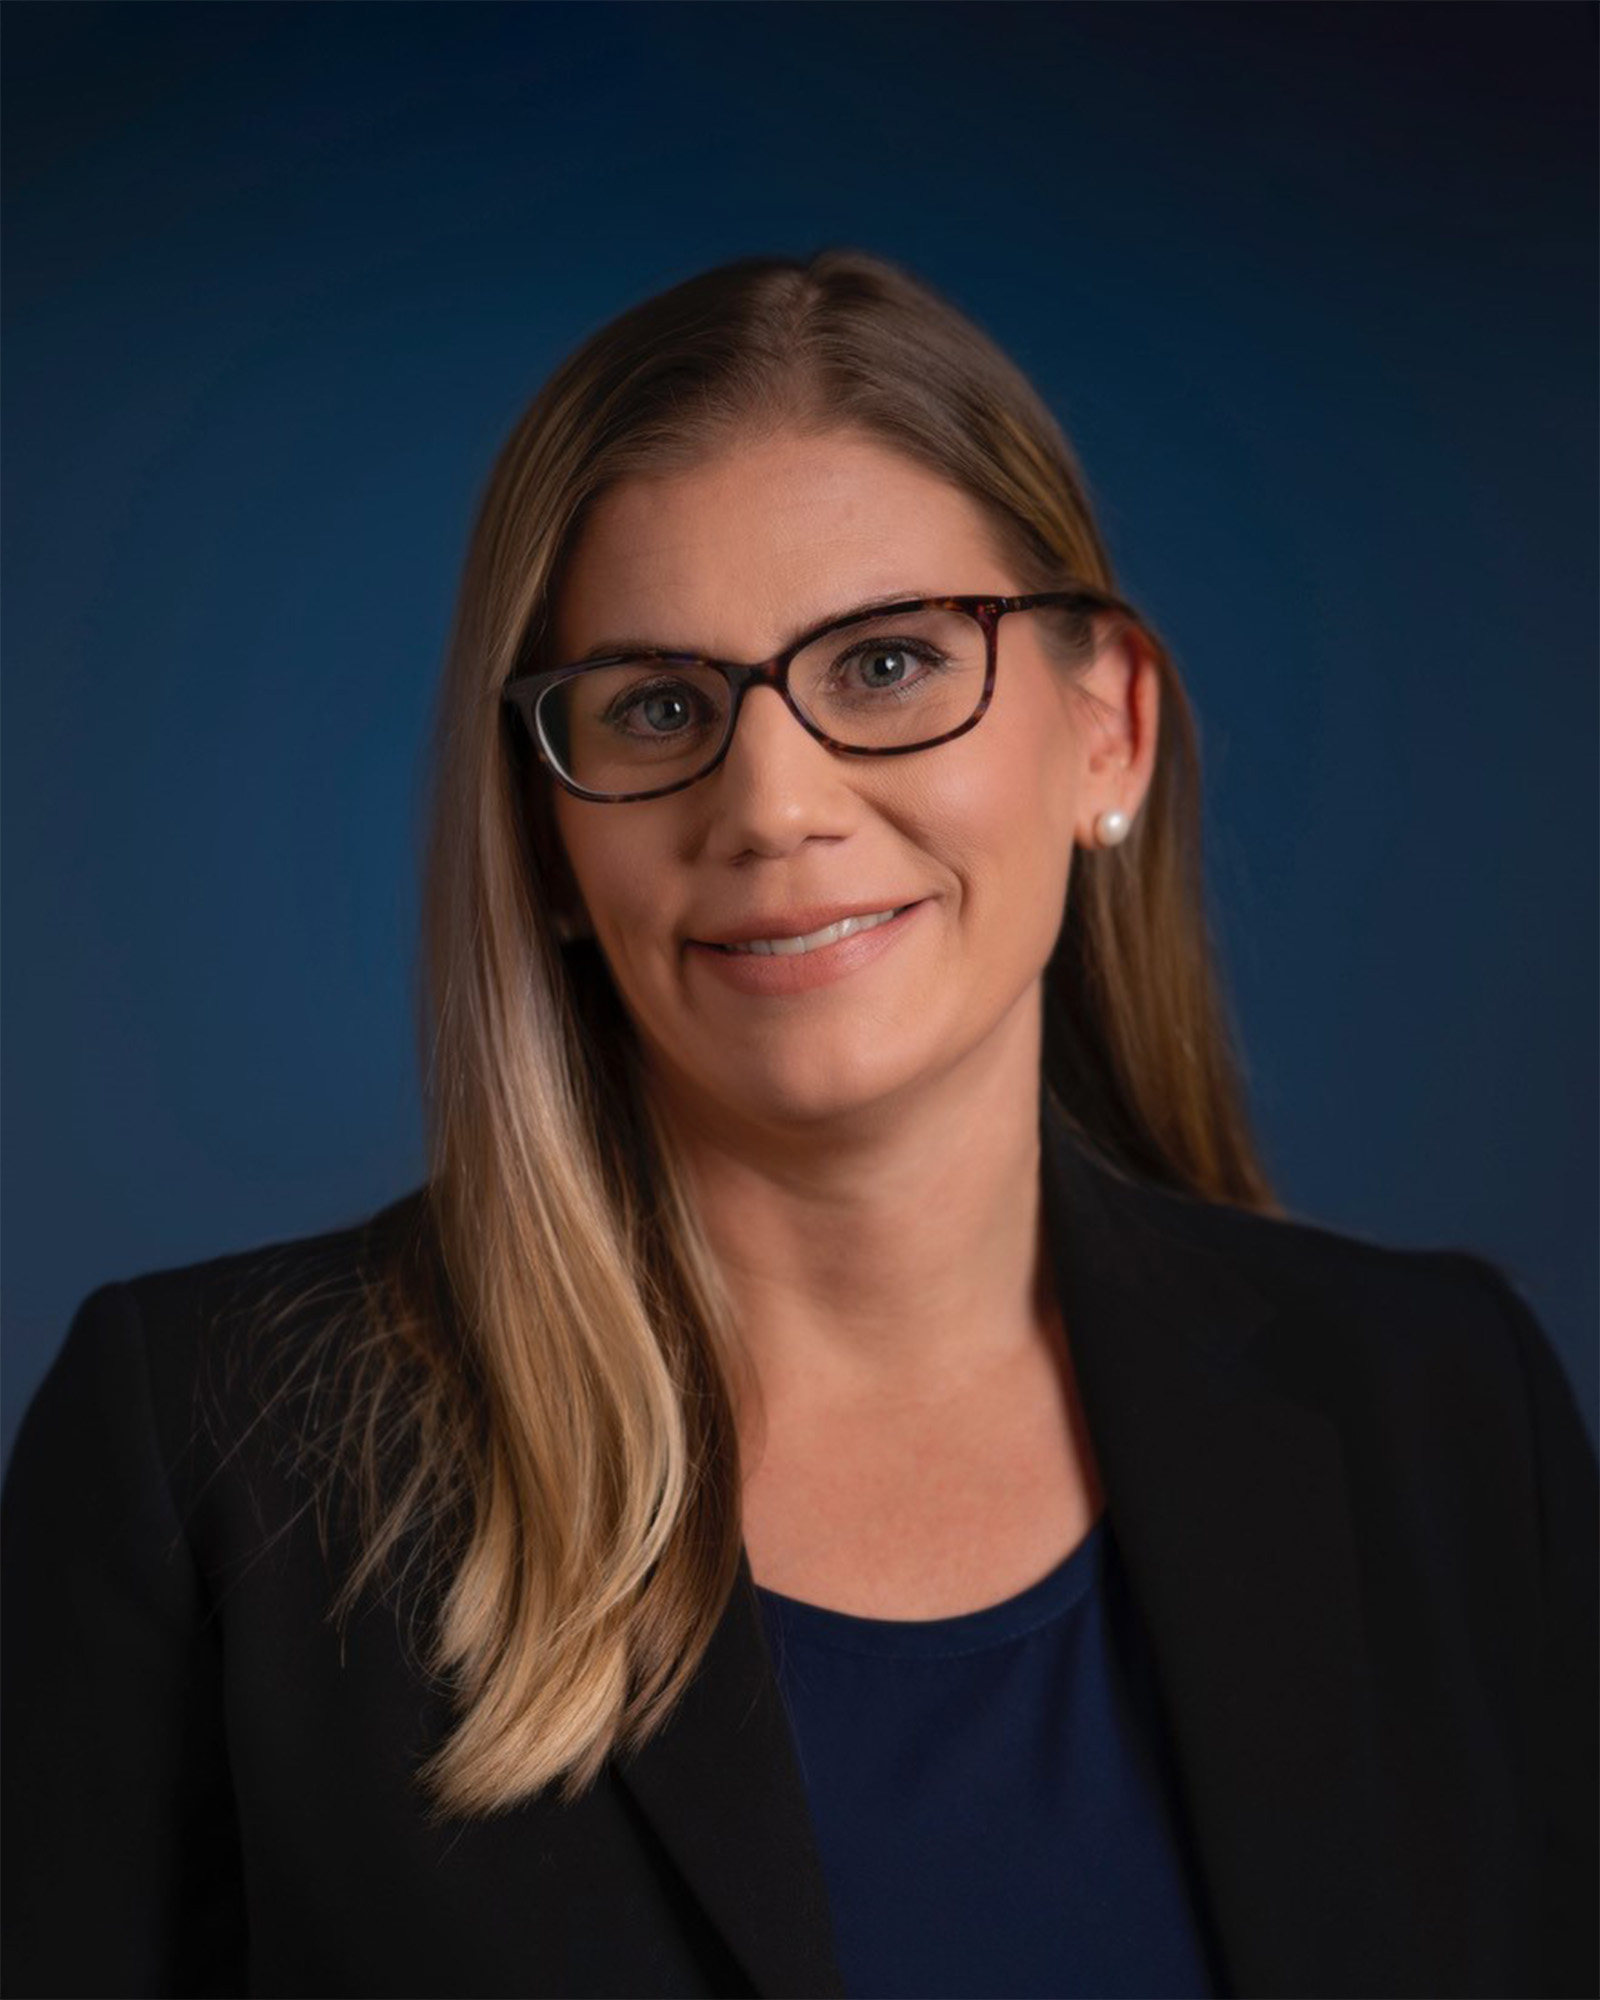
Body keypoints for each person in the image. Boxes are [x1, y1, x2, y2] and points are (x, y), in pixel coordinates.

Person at [2, 248, 1595, 2000]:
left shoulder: (1445, 1412)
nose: (773, 806)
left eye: (894, 662)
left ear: (1107, 733)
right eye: (659, 708)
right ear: (543, 839)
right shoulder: (211, 1460)